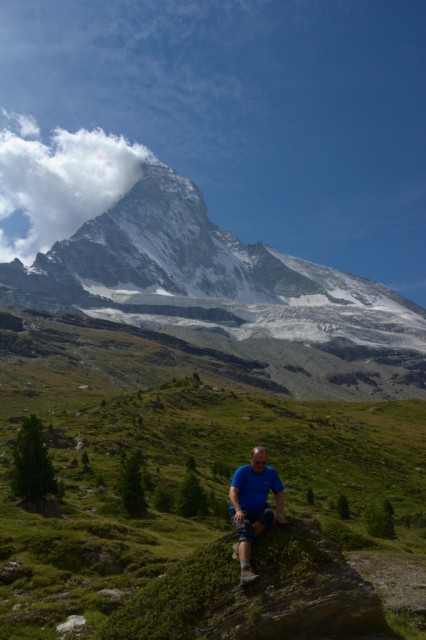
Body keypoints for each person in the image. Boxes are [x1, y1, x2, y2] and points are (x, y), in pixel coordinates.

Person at [229, 446, 286, 584]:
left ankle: (240, 546)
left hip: (260, 510)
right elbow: (233, 492)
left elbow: (279, 494)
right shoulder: (242, 471)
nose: (260, 466)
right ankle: (245, 571)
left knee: (268, 516)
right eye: (257, 462)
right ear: (251, 460)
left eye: (263, 463)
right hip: (241, 511)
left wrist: (280, 514)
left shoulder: (271, 473)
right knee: (245, 529)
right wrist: (238, 510)